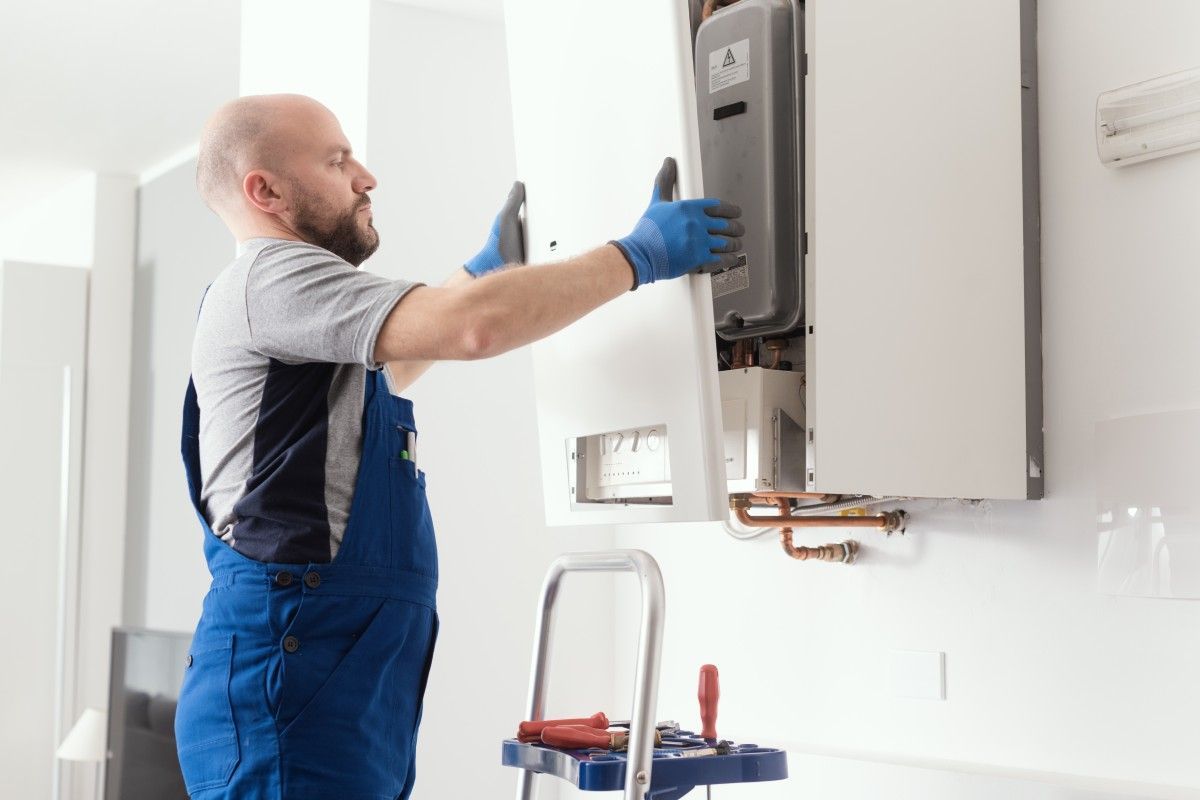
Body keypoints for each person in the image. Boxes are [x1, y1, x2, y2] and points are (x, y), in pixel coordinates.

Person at [174, 93, 743, 800]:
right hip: (289, 689)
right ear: (265, 190)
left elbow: (390, 369)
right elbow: (471, 331)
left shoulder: (285, 310)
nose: (366, 176)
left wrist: (473, 279)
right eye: (336, 160)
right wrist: (638, 257)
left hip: (329, 686)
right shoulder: (268, 278)